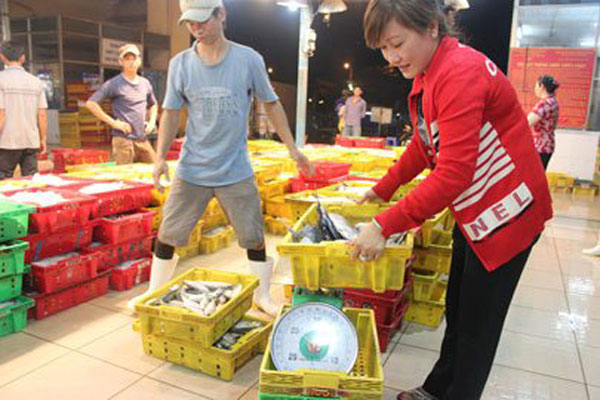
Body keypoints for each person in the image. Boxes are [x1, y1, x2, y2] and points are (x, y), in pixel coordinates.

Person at [354, 1, 553, 399]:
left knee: (478, 326)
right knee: (458, 311)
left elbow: (453, 173)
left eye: (397, 43)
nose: (391, 58)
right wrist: (383, 188)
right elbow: (425, 144)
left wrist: (384, 224)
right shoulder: (430, 73)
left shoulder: (459, 72)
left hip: (508, 214)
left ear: (430, 27)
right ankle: (437, 388)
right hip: (477, 212)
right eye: (383, 48)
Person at [127, 0, 313, 316]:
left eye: (203, 21)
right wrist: (160, 157)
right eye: (190, 23)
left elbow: (272, 104)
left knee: (253, 235)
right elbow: (171, 113)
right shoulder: (180, 64)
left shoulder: (248, 59)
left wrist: (293, 149)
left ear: (221, 15)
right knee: (168, 234)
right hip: (192, 168)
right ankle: (153, 292)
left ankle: (262, 295)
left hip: (235, 169)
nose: (196, 29)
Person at [86, 44, 158, 165]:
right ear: (121, 62)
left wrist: (152, 122)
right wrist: (114, 123)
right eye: (127, 58)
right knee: (125, 179)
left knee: (155, 171)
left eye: (134, 58)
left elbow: (153, 105)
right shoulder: (114, 84)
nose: (131, 62)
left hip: (142, 139)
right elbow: (91, 103)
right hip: (123, 141)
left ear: (139, 60)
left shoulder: (145, 83)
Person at [0, 41, 47, 178]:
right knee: (31, 180)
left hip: (6, 142)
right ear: (23, 58)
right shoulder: (36, 82)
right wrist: (42, 138)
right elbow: (42, 114)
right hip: (30, 141)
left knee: (3, 182)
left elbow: (1, 115)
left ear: (2, 57)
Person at [527, 75, 560, 170]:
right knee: (539, 175)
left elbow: (527, 123)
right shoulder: (554, 102)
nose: (535, 88)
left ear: (542, 86)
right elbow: (554, 126)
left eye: (536, 85)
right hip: (549, 144)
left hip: (539, 147)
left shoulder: (543, 104)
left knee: (532, 177)